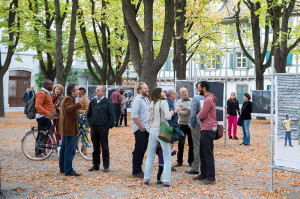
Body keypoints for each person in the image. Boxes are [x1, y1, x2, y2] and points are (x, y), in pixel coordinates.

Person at [143, 87, 174, 188]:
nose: (164, 93)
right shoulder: (163, 102)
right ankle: (166, 181)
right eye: (162, 91)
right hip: (162, 131)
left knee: (150, 156)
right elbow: (168, 117)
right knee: (167, 157)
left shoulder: (152, 103)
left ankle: (146, 179)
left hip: (153, 131)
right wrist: (174, 112)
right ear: (159, 94)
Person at [59, 84, 88, 176]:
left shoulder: (69, 99)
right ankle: (68, 170)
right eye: (77, 90)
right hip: (69, 129)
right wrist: (81, 103)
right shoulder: (68, 99)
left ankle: (63, 168)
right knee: (69, 150)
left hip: (67, 128)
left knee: (64, 149)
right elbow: (69, 109)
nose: (79, 91)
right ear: (72, 91)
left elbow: (70, 110)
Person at [87, 85, 115, 172]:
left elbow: (112, 116)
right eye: (96, 90)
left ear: (103, 92)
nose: (96, 91)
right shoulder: (92, 102)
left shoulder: (108, 102)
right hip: (94, 127)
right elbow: (89, 114)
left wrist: (107, 126)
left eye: (98, 90)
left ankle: (106, 165)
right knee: (95, 147)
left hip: (103, 128)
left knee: (104, 147)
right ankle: (95, 165)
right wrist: (91, 123)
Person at [194, 81, 217, 185]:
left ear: (204, 88)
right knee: (202, 153)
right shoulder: (209, 98)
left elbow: (201, 114)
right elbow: (204, 114)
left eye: (199, 88)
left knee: (207, 154)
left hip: (208, 128)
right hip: (205, 128)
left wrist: (200, 115)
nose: (198, 90)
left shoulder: (208, 99)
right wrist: (203, 115)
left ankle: (211, 177)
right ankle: (203, 174)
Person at [131, 82, 150, 178]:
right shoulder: (137, 100)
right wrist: (141, 126)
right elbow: (134, 116)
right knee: (139, 149)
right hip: (140, 129)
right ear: (139, 90)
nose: (147, 89)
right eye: (145, 88)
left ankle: (139, 168)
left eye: (147, 88)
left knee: (142, 149)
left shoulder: (146, 99)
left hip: (146, 128)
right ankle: (136, 171)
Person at [186, 82, 205, 175]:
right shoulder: (209, 98)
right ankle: (204, 167)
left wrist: (191, 124)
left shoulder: (196, 98)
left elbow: (193, 113)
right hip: (206, 126)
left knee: (196, 147)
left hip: (197, 125)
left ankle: (195, 167)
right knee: (205, 147)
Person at [174, 87, 193, 167]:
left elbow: (194, 110)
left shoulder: (192, 101)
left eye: (186, 91)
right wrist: (189, 110)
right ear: (180, 94)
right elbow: (180, 113)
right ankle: (179, 161)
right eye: (183, 92)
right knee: (181, 143)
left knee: (191, 144)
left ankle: (191, 161)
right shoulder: (178, 102)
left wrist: (185, 108)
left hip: (191, 125)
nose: (185, 93)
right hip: (182, 124)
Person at [35, 80, 54, 157]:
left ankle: (42, 151)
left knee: (46, 135)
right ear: (46, 85)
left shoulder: (47, 93)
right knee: (42, 135)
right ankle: (39, 152)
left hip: (46, 117)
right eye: (50, 85)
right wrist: (47, 113)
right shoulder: (42, 93)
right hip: (42, 117)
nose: (52, 86)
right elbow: (37, 105)